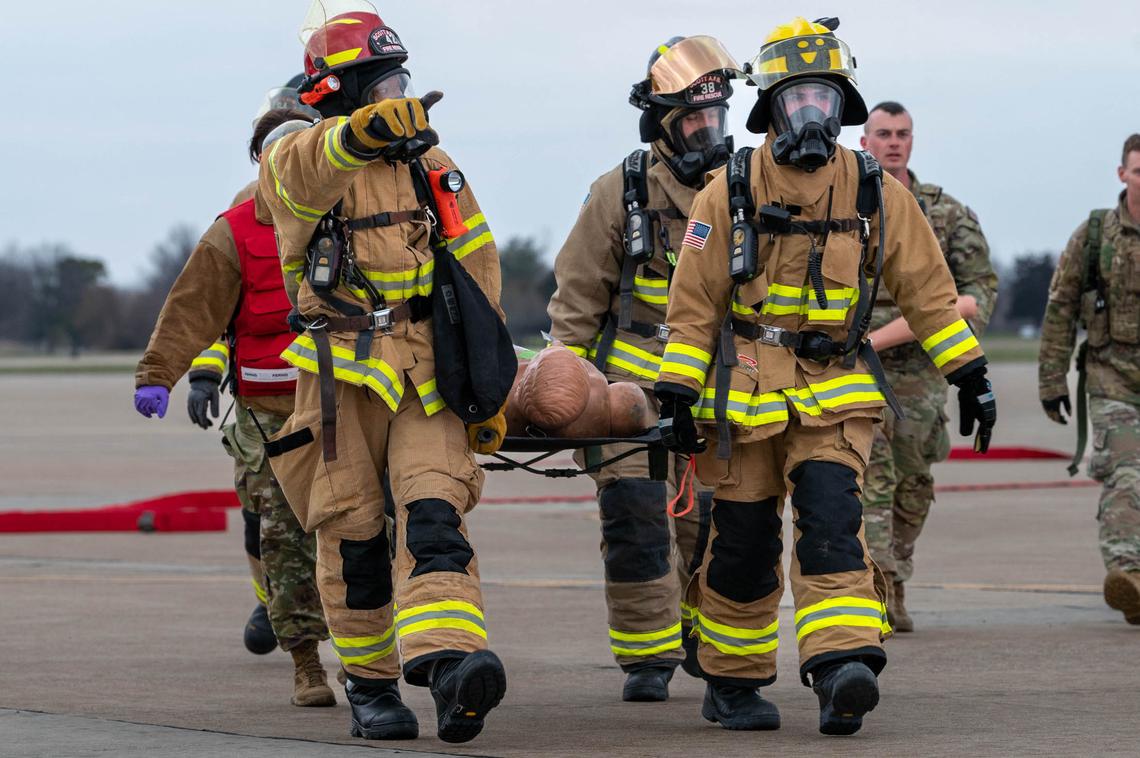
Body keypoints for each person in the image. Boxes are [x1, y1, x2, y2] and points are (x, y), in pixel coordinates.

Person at [653, 17, 996, 736]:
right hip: (745, 394)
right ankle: (733, 680)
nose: (811, 114)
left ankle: (843, 668)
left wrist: (970, 373)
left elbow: (931, 295)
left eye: (823, 100)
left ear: (841, 108)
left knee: (833, 525)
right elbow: (692, 304)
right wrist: (677, 394)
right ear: (770, 107)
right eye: (795, 99)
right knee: (742, 543)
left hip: (835, 395)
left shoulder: (875, 191)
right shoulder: (729, 190)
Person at [255, 1, 507, 743]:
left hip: (430, 371)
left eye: (400, 82)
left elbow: (479, 266)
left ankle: (451, 664)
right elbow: (302, 174)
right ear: (337, 92)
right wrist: (357, 136)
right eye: (379, 84)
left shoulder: (433, 166)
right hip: (341, 377)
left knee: (436, 516)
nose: (395, 97)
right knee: (355, 535)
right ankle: (370, 687)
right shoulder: (296, 159)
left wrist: (489, 383)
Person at [546, 35, 740, 702]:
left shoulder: (744, 191)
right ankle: (647, 658)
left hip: (720, 395)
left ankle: (695, 634)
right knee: (635, 521)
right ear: (662, 121)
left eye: (716, 118)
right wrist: (565, 391)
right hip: (626, 400)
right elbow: (575, 302)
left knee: (710, 528)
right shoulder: (618, 193)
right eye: (693, 120)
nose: (708, 133)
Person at [133, 107, 334, 707]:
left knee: (361, 530)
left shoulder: (351, 215)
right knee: (281, 535)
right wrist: (161, 374)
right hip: (266, 415)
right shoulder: (236, 229)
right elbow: (193, 307)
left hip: (342, 406)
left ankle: (363, 655)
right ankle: (305, 662)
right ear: (263, 161)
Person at [857, 101, 999, 631]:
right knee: (871, 478)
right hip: (857, 369)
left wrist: (889, 332)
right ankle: (879, 588)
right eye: (884, 134)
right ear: (865, 141)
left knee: (913, 483)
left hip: (920, 373)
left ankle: (898, 570)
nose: (894, 142)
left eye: (903, 134)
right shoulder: (845, 202)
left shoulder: (947, 213)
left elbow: (975, 295)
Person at [1038, 133, 1140, 625]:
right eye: (1138, 171)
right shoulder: (1096, 234)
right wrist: (1051, 379)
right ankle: (1129, 576)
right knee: (1125, 472)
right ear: (1122, 173)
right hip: (1111, 374)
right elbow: (1060, 309)